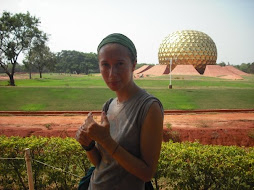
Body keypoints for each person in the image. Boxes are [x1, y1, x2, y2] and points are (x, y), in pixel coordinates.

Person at [76, 33, 164, 190]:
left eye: (119, 64)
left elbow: (147, 173)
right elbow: (103, 163)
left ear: (133, 64)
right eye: (105, 65)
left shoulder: (149, 107)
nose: (111, 74)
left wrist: (106, 140)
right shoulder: (108, 105)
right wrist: (88, 145)